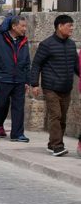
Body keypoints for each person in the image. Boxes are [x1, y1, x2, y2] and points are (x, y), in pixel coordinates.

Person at [29, 14, 79, 156]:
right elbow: (36, 64)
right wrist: (34, 84)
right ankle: (58, 145)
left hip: (66, 88)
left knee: (63, 117)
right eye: (69, 25)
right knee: (55, 115)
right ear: (60, 26)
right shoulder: (47, 44)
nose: (72, 28)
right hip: (51, 87)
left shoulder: (71, 44)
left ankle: (52, 144)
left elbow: (76, 66)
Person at [0, 15, 31, 142]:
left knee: (19, 108)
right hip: (3, 78)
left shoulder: (24, 41)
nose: (24, 29)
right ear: (14, 26)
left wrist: (27, 80)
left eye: (25, 26)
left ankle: (17, 134)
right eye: (22, 26)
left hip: (19, 80)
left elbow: (27, 61)